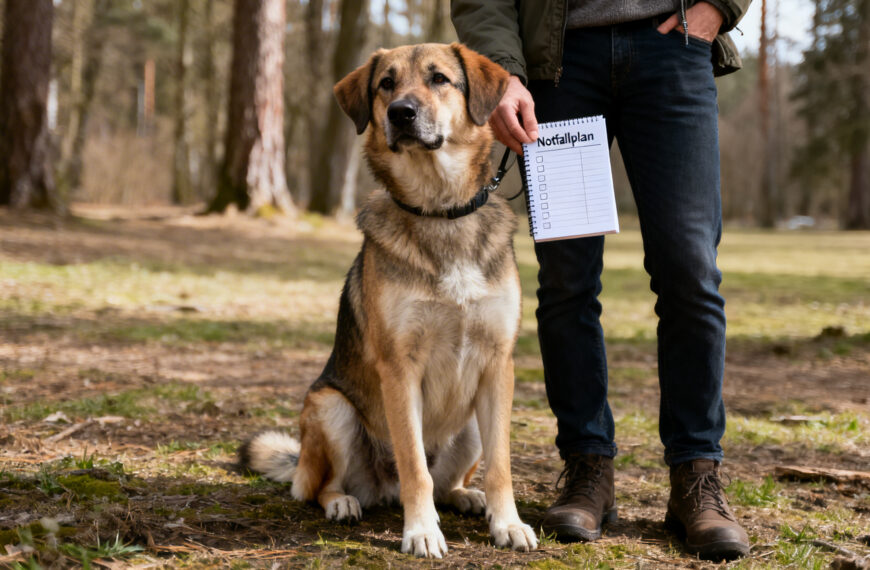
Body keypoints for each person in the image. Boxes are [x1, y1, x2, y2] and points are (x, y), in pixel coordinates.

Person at [451, 0, 751, 561]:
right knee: (567, 279)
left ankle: (697, 476)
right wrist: (502, 71)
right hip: (558, 66)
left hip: (674, 49)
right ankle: (587, 467)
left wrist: (720, 4)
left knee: (691, 271)